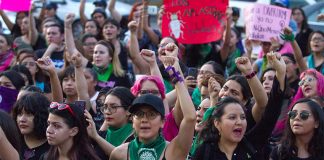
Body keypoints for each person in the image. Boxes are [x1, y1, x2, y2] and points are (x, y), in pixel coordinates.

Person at [12, 92, 50, 160]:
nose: (22, 119)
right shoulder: (12, 141)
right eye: (20, 114)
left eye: (29, 114)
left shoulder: (54, 147)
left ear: (42, 116)